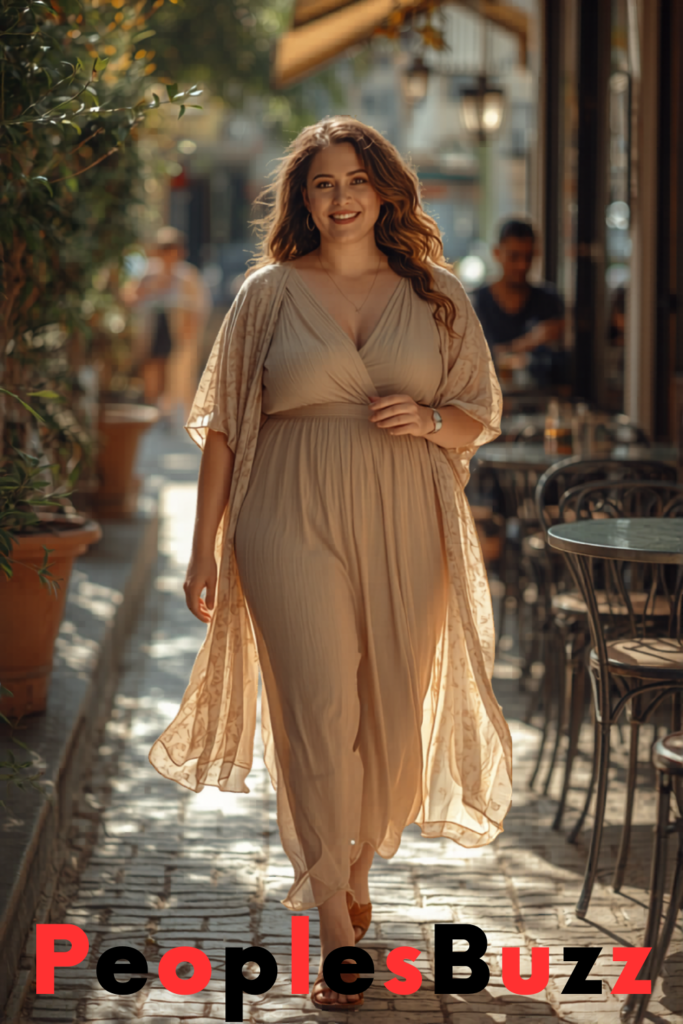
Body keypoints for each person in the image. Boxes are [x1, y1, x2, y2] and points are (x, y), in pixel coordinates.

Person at [148, 116, 512, 1011]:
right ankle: (339, 939)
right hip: (286, 513)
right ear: (301, 198)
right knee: (317, 710)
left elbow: (477, 410)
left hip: (407, 516)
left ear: (386, 189)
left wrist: (431, 422)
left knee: (386, 710)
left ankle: (348, 862)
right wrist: (204, 547)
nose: (339, 198)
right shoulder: (267, 292)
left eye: (354, 181)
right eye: (320, 184)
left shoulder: (435, 294)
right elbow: (227, 423)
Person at [123, 226, 212, 423]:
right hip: (153, 328)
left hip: (178, 331)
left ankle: (174, 415)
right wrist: (148, 288)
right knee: (153, 366)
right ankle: (154, 411)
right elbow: (130, 298)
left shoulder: (188, 275)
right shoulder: (147, 273)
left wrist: (191, 328)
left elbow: (200, 307)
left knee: (179, 372)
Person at [471, 219, 565, 388]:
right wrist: (530, 341)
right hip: (487, 403)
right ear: (497, 253)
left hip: (539, 401)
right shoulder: (477, 303)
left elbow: (561, 363)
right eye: (514, 256)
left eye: (528, 257)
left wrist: (505, 352)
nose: (522, 265)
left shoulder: (549, 300)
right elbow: (474, 360)